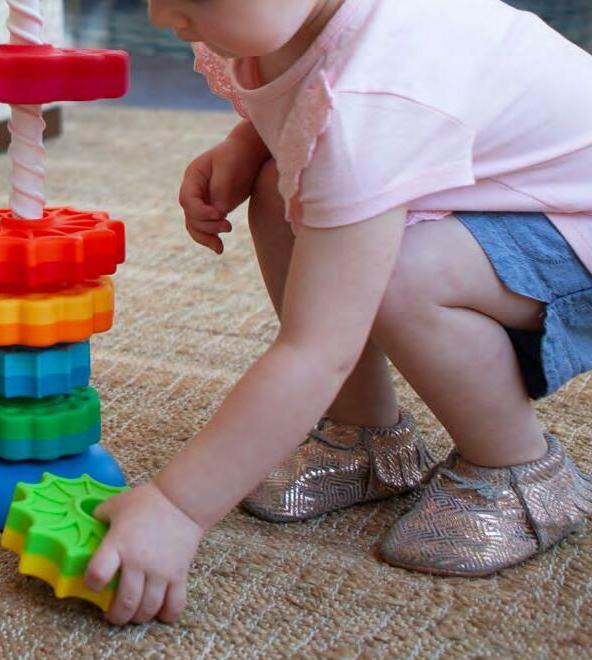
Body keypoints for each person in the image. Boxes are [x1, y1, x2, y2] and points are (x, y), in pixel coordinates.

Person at [84, 0, 592, 626]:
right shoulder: (297, 31)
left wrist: (176, 508)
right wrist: (247, 142)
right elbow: (310, 113)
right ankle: (365, 437)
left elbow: (317, 349)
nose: (165, 15)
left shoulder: (376, 94)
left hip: (573, 228)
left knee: (400, 274)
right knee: (284, 183)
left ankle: (520, 469)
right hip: (516, 192)